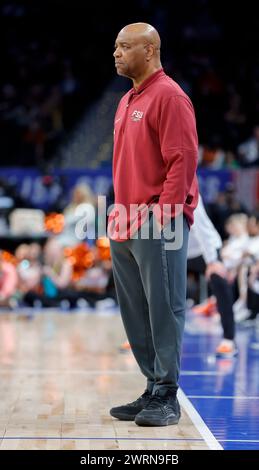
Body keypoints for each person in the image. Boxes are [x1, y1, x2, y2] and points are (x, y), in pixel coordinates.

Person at [108, 23, 198, 427]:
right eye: (116, 47)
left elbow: (182, 160)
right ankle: (151, 388)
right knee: (136, 312)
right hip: (125, 222)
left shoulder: (170, 96)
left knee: (165, 308)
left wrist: (164, 216)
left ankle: (167, 395)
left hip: (157, 221)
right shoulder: (127, 99)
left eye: (124, 47)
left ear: (150, 50)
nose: (116, 53)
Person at [187, 195, 238, 357]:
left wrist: (212, 260)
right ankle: (141, 339)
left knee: (219, 281)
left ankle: (228, 339)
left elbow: (200, 223)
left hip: (204, 248)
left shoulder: (185, 183)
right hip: (175, 250)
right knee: (149, 286)